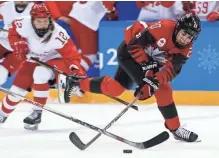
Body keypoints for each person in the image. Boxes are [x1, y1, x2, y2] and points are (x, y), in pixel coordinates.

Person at [65, 13, 201, 142]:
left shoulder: (186, 50)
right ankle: (175, 128)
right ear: (177, 28)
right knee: (163, 90)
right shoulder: (164, 28)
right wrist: (147, 70)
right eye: (184, 33)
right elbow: (134, 45)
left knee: (115, 89)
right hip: (129, 53)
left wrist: (154, 81)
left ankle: (77, 83)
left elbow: (171, 71)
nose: (185, 39)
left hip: (149, 61)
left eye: (189, 37)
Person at [0, 3, 85, 130]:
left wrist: (74, 70)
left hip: (55, 60)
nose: (43, 24)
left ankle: (37, 112)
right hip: (34, 58)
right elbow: (13, 32)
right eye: (39, 21)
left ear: (50, 19)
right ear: (32, 19)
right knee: (16, 91)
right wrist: (18, 44)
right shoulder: (22, 23)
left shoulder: (59, 34)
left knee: (40, 73)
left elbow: (73, 56)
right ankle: (2, 114)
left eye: (45, 21)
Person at [0, 1, 34, 87]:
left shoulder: (36, 10)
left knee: (2, 74)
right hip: (3, 42)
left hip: (21, 50)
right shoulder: (5, 6)